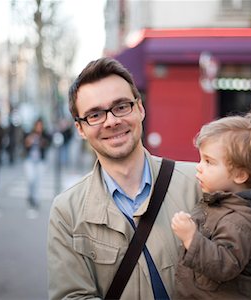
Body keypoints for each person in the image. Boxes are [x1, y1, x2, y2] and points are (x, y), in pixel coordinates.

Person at [47, 57, 201, 300]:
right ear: (80, 128)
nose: (111, 121)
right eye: (95, 114)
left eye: (121, 107)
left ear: (140, 108)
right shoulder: (67, 211)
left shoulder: (198, 183)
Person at [171, 113, 251, 299]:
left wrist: (190, 237)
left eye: (209, 162)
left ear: (240, 175)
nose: (199, 167)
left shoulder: (239, 223)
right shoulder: (228, 203)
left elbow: (223, 265)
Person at [23, 118, 51, 211]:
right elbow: (24, 144)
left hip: (40, 161)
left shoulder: (45, 135)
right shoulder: (29, 134)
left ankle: (36, 200)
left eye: (40, 126)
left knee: (38, 181)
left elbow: (48, 144)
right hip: (29, 160)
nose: (39, 127)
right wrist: (29, 141)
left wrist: (42, 141)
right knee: (30, 179)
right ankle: (30, 195)